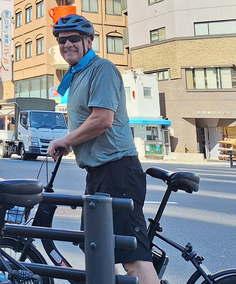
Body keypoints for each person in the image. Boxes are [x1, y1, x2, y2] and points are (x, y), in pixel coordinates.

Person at [46, 14, 159, 284]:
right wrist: (72, 142)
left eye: (74, 38)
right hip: (99, 173)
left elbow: (102, 119)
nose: (67, 44)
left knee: (132, 257)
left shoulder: (102, 69)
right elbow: (91, 124)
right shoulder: (78, 76)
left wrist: (67, 140)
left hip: (117, 170)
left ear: (88, 40)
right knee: (98, 249)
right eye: (62, 40)